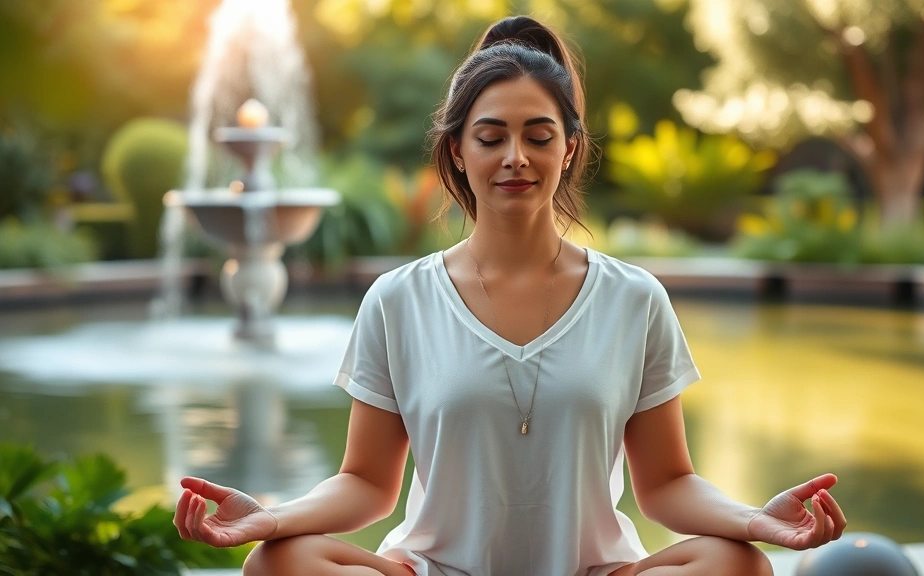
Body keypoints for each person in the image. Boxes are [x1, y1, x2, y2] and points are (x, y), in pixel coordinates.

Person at [173, 15, 847, 576]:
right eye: (491, 137)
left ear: (571, 148)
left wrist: (754, 520)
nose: (515, 157)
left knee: (739, 566)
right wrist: (273, 515)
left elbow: (667, 485)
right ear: (459, 153)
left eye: (539, 136)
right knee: (276, 563)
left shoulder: (634, 299)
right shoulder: (398, 300)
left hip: (592, 572)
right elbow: (367, 485)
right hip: (438, 571)